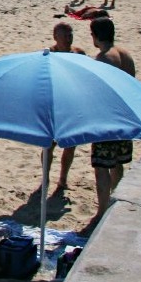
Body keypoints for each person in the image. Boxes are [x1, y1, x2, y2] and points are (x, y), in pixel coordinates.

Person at [90, 17, 136, 213]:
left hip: (108, 120)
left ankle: (102, 211)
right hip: (126, 118)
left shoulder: (103, 58)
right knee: (117, 164)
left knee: (102, 168)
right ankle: (114, 203)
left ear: (96, 36)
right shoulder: (126, 55)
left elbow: (99, 92)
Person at [47, 22, 87, 190]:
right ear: (56, 37)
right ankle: (45, 178)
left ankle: (63, 179)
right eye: (65, 36)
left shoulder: (79, 53)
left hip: (72, 104)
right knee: (48, 145)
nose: (69, 39)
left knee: (70, 144)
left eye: (71, 35)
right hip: (54, 105)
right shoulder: (48, 54)